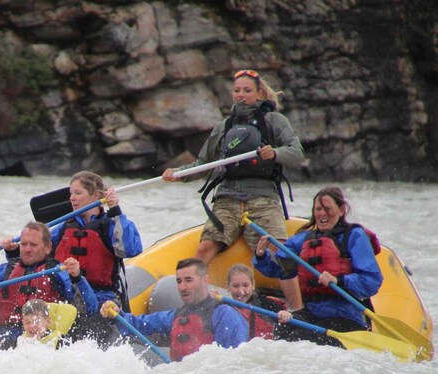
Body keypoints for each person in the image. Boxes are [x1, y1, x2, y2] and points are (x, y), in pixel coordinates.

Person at [162, 69, 305, 311]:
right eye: (237, 90)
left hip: (262, 196)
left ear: (259, 94)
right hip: (227, 197)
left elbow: (297, 152)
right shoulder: (224, 126)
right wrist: (178, 174)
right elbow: (203, 164)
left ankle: (297, 311)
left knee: (281, 253)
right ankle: (193, 307)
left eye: (247, 90)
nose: (241, 95)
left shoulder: (274, 120)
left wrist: (274, 153)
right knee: (205, 248)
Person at [252, 186, 383, 347]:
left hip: (346, 314)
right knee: (284, 328)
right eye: (318, 209)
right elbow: (279, 269)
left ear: (341, 210)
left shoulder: (354, 236)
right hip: (312, 312)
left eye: (328, 209)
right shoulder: (303, 240)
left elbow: (372, 281)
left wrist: (339, 280)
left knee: (308, 337)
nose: (322, 213)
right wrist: (261, 256)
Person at [0, 221, 98, 351]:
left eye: (33, 245)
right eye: (23, 244)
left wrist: (77, 277)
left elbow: (90, 309)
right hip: (3, 344)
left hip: (42, 343)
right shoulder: (1, 273)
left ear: (48, 247)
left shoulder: (59, 273)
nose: (27, 249)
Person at [51, 170, 143, 345]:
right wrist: (14, 249)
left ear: (95, 196)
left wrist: (115, 210)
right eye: (71, 193)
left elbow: (131, 249)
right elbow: (40, 249)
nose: (72, 198)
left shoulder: (112, 223)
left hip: (102, 297)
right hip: (68, 295)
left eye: (78, 193)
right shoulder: (64, 226)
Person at [100, 258, 248, 361]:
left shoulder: (225, 314)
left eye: (188, 280)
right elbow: (139, 324)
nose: (182, 287)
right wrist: (117, 314)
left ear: (205, 281)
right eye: (179, 281)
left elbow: (232, 362)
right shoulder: (177, 315)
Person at [226, 263, 292, 340]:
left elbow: (289, 319)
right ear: (228, 286)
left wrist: (285, 314)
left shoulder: (265, 303)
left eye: (245, 285)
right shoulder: (224, 308)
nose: (241, 291)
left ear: (253, 285)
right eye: (236, 286)